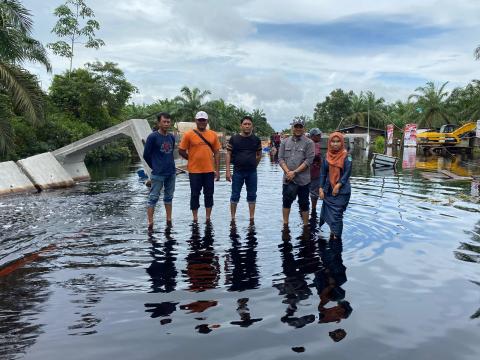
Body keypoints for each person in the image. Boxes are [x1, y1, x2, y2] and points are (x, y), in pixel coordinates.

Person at [178, 111, 221, 222]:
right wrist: (191, 158)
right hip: (194, 171)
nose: (202, 122)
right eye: (199, 120)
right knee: (195, 194)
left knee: (209, 194)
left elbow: (217, 152)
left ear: (207, 121)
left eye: (204, 120)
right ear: (196, 121)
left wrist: (217, 170)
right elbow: (181, 150)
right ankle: (195, 218)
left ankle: (208, 218)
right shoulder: (188, 134)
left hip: (209, 170)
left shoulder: (213, 134)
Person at [278, 118, 315, 226]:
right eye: (296, 126)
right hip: (288, 179)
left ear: (304, 128)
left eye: (300, 127)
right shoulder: (284, 142)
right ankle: (285, 224)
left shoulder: (309, 142)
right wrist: (288, 172)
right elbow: (280, 158)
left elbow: (309, 160)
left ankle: (305, 225)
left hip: (303, 180)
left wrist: (294, 172)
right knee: (286, 202)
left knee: (304, 203)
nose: (298, 129)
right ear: (292, 128)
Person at [143, 112, 176, 231]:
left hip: (171, 173)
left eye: (168, 122)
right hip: (158, 174)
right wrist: (155, 167)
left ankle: (169, 220)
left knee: (169, 197)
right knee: (153, 198)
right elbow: (146, 155)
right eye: (164, 122)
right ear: (159, 123)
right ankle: (150, 223)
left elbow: (171, 153)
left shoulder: (171, 137)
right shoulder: (152, 137)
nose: (167, 124)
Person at [225, 116, 262, 221]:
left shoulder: (256, 139)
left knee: (252, 195)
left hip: (252, 172)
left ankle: (251, 218)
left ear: (252, 126)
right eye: (245, 124)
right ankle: (232, 218)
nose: (247, 126)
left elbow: (259, 154)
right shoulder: (234, 139)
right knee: (235, 195)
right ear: (241, 126)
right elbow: (228, 154)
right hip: (238, 171)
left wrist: (255, 165)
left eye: (249, 124)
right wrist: (227, 171)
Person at [318, 132, 352, 240]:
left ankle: (337, 238)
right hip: (328, 191)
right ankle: (332, 234)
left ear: (342, 143)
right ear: (329, 143)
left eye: (338, 141)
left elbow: (347, 174)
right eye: (333, 141)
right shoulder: (326, 156)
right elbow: (323, 174)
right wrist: (320, 188)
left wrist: (338, 186)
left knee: (337, 215)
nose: (335, 144)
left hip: (342, 191)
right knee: (330, 215)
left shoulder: (347, 157)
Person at [309, 128, 322, 213]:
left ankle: (312, 210)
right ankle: (313, 210)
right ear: (313, 136)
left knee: (313, 192)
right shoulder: (312, 144)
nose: (320, 136)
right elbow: (316, 155)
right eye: (318, 135)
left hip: (315, 172)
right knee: (313, 192)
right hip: (312, 172)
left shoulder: (316, 144)